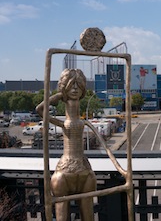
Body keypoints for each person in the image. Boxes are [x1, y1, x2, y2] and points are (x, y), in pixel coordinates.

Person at [36, 69, 96, 221]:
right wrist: (58, 95)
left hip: (84, 168)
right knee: (62, 213)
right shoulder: (63, 123)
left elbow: (105, 146)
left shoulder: (84, 121)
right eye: (71, 85)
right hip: (64, 171)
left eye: (78, 85)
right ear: (64, 88)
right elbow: (40, 109)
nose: (75, 88)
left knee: (88, 213)